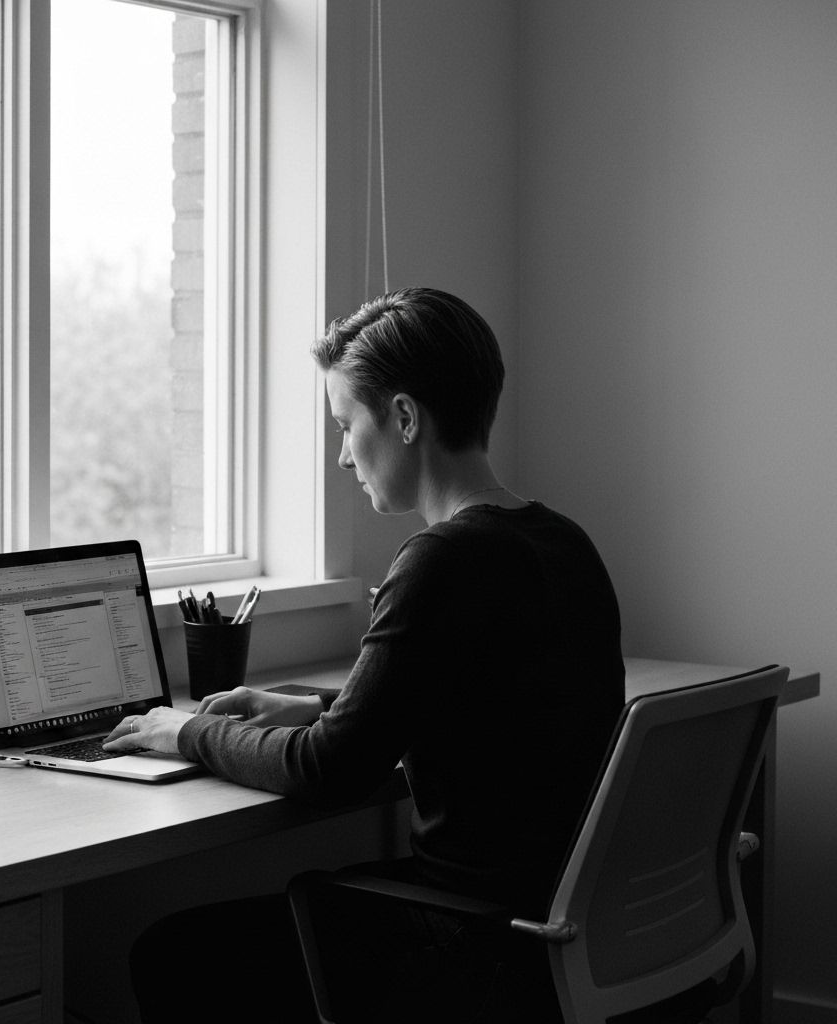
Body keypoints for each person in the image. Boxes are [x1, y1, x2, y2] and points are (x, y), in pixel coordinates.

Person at [104, 287, 625, 1022]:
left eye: (347, 425)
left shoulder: (442, 560)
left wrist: (183, 730)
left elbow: (330, 769)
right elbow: (482, 705)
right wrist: (317, 706)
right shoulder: (564, 542)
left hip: (474, 940)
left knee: (171, 953)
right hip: (565, 923)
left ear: (405, 418)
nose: (343, 455)